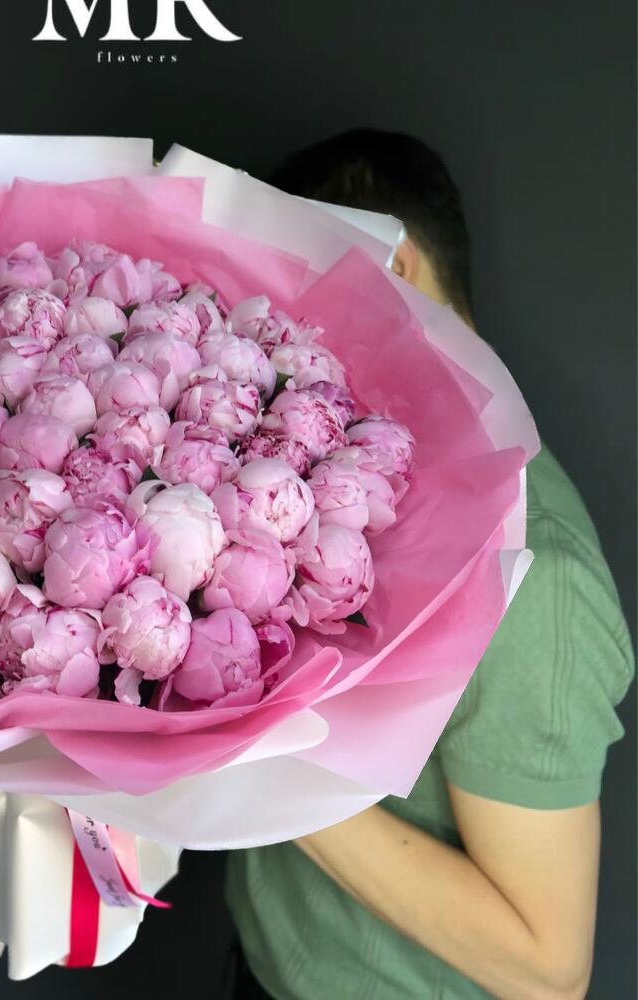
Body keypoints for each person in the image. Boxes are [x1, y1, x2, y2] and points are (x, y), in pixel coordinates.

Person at [225, 130, 635, 1000]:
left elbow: (547, 967)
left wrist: (239, 746)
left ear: (394, 263)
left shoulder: (537, 574)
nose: (275, 329)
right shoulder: (329, 474)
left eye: (297, 284)